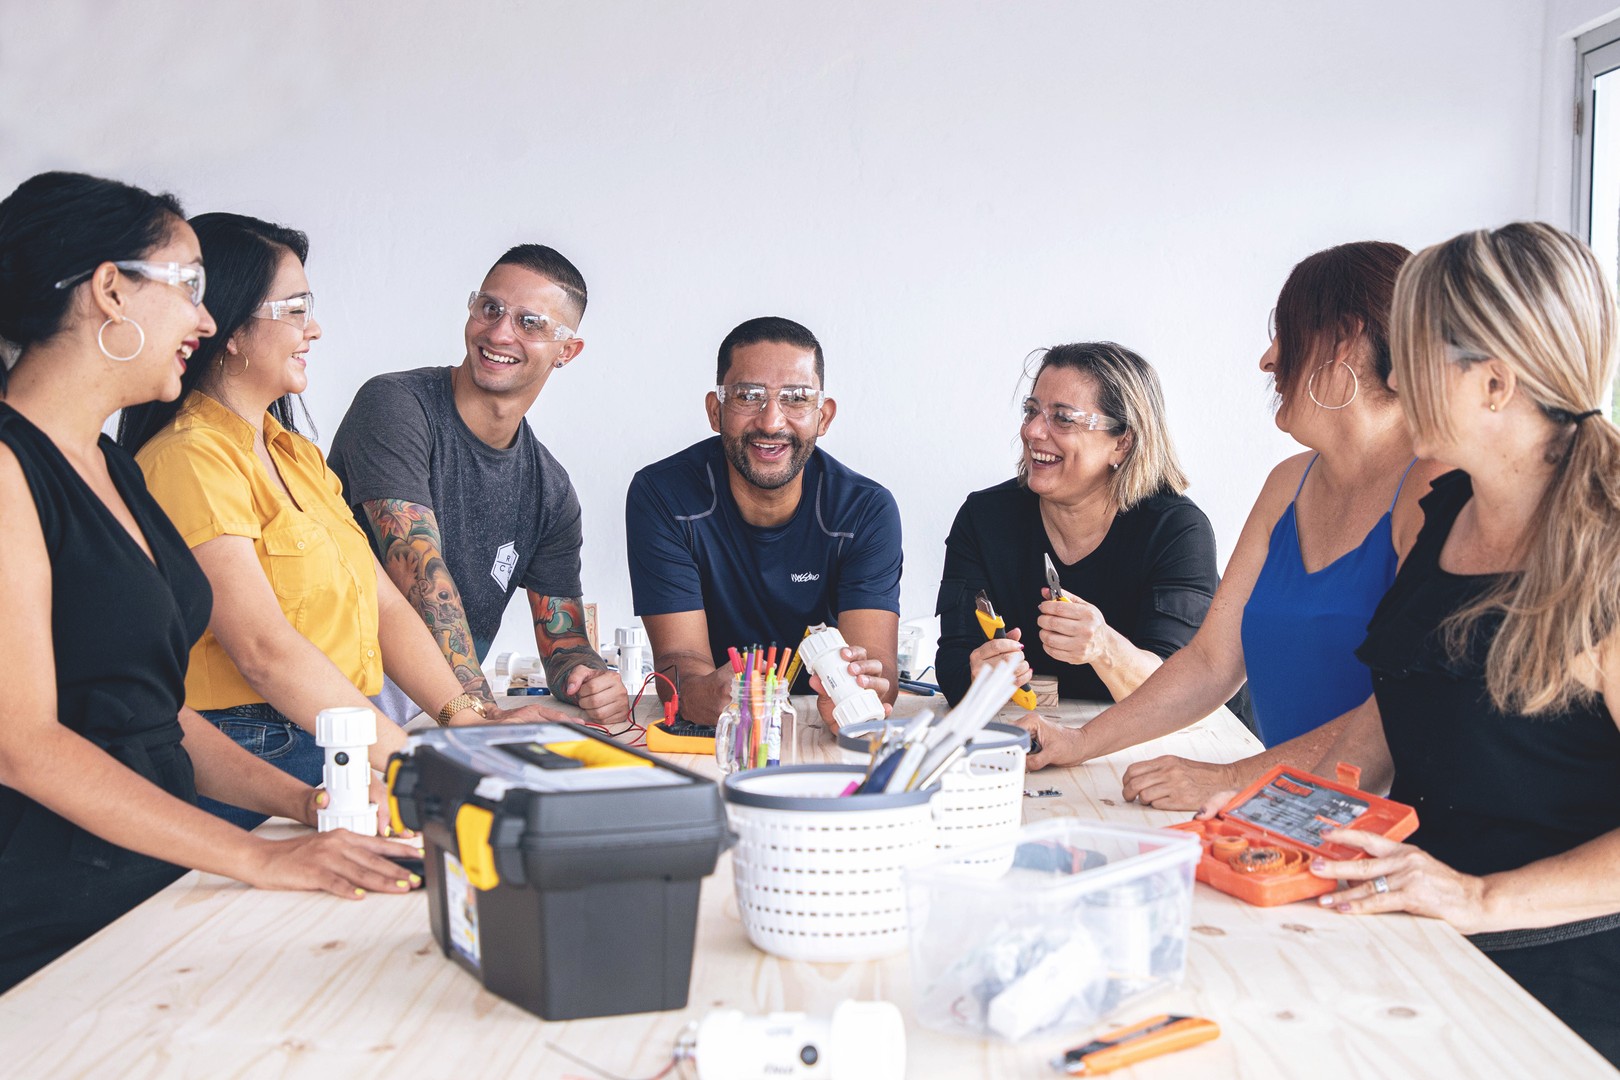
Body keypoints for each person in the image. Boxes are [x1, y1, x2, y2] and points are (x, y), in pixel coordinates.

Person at [0, 172, 416, 991]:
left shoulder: (112, 466)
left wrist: (305, 806)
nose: (205, 315)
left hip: (149, 885)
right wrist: (260, 857)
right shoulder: (10, 468)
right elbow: (24, 746)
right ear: (109, 291)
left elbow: (152, 714)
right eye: (190, 286)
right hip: (51, 919)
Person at [1264, 223, 1620, 1064]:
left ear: (1494, 383)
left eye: (1413, 355)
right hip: (1419, 955)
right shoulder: (1443, 514)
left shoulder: (1606, 557)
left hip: (1563, 999)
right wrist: (1271, 820)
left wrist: (1481, 896)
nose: (1390, 378)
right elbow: (1395, 715)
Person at [119, 215, 558, 831]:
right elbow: (264, 652)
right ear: (233, 328)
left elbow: (386, 604)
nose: (314, 329)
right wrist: (415, 764)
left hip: (332, 742)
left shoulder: (291, 452)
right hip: (251, 761)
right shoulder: (190, 458)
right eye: (295, 310)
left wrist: (465, 723)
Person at [1016, 242, 1445, 807]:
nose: (1268, 359)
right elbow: (1211, 662)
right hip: (1287, 813)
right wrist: (1079, 742)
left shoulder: (1433, 485)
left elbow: (1406, 707)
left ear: (1344, 339)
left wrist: (1229, 778)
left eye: (1284, 331)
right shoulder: (1287, 482)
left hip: (1391, 833)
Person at [327, 245, 627, 727]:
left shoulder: (550, 491)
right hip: (322, 706)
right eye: (490, 308)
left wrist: (592, 679)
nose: (499, 331)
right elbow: (421, 575)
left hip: (425, 720)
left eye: (530, 322)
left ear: (566, 350)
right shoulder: (396, 407)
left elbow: (564, 642)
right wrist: (482, 716)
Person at [626, 316, 902, 729]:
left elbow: (877, 667)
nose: (771, 422)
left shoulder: (865, 509)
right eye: (748, 396)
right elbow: (678, 665)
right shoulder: (663, 496)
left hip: (821, 722)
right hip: (722, 729)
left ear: (823, 417)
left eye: (795, 397)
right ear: (715, 411)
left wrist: (860, 693)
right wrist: (704, 694)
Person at [935, 342, 1239, 715]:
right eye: (1031, 411)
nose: (1031, 431)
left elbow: (1182, 694)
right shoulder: (984, 519)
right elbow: (952, 664)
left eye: (1062, 418)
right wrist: (977, 674)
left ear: (1122, 443)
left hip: (1185, 745)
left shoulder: (1176, 531)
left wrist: (1104, 648)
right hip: (1046, 733)